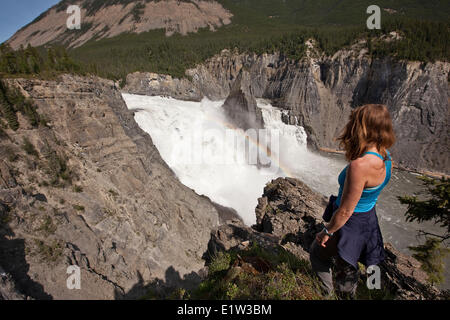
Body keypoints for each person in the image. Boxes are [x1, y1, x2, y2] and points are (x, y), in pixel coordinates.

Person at [309, 104, 396, 298]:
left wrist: (327, 232)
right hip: (369, 218)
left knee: (324, 256)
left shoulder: (360, 165)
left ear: (363, 127)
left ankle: (327, 294)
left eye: (354, 122)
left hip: (351, 223)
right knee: (370, 260)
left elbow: (346, 211)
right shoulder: (386, 157)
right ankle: (374, 292)